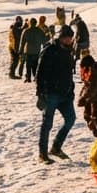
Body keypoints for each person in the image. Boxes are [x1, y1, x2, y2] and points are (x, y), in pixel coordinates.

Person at [35, 24, 77, 163]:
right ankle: (42, 154)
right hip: (51, 93)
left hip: (65, 94)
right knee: (47, 124)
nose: (69, 40)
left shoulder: (69, 50)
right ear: (60, 37)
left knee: (70, 119)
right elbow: (40, 73)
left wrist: (71, 89)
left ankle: (56, 147)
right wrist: (40, 93)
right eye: (66, 38)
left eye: (70, 38)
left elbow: (69, 73)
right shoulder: (50, 50)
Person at [19, 17, 45, 82]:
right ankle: (35, 77)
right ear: (36, 23)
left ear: (30, 23)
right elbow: (44, 41)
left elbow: (22, 42)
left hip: (28, 51)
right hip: (36, 51)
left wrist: (20, 51)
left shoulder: (26, 31)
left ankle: (28, 78)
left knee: (28, 65)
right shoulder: (40, 31)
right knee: (35, 65)